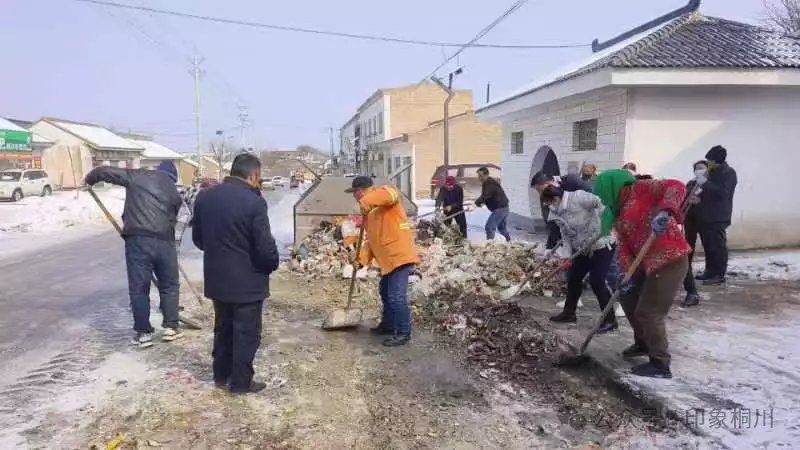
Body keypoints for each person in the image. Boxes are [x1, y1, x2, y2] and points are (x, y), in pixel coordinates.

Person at [192, 153, 280, 394]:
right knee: (246, 332)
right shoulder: (254, 202)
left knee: (223, 327)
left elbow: (198, 239)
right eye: (258, 178)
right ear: (253, 175)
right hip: (248, 282)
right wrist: (272, 263)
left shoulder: (205, 197)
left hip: (217, 278)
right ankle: (240, 383)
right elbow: (264, 247)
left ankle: (221, 375)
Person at [593, 169, 691, 379]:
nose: (602, 198)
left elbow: (676, 185)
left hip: (670, 259)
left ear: (612, 186)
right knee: (628, 298)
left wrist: (666, 211)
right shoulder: (616, 213)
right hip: (645, 264)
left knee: (649, 312)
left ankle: (660, 364)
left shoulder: (642, 189)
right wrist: (625, 274)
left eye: (602, 192)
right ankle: (643, 343)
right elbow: (626, 247)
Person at [84, 161, 184, 348]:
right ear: (173, 178)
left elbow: (106, 171)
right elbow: (175, 221)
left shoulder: (138, 176)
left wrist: (90, 179)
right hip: (165, 241)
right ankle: (171, 327)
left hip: (138, 240)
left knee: (139, 288)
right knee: (169, 284)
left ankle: (143, 333)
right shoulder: (175, 193)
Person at [348, 176, 419, 346]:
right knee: (385, 291)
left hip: (399, 256)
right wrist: (361, 260)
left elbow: (391, 194)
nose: (354, 197)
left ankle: (403, 332)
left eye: (355, 193)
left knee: (396, 296)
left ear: (361, 191)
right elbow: (371, 242)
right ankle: (388, 325)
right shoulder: (371, 214)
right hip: (388, 260)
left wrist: (366, 202)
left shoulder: (386, 198)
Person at [541, 186, 618, 332]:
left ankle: (610, 320)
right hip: (581, 247)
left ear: (556, 199)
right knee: (574, 278)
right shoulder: (555, 211)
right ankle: (569, 313)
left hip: (601, 244)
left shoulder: (579, 197)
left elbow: (601, 203)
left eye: (549, 202)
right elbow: (565, 235)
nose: (549, 206)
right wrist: (567, 256)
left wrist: (606, 222)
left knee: (597, 281)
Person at [695, 145, 738, 286]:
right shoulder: (712, 170)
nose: (708, 163)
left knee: (718, 246)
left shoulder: (729, 173)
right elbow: (704, 188)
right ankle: (709, 271)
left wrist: (706, 184)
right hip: (706, 215)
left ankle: (719, 274)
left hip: (719, 216)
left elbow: (724, 194)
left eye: (710, 160)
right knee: (708, 245)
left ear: (717, 160)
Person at [530, 171, 592, 251]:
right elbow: (555, 223)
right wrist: (549, 249)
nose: (540, 194)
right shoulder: (551, 196)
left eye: (539, 190)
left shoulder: (572, 182)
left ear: (548, 183)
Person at [681, 161, 708, 307]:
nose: (699, 171)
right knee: (686, 257)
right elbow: (683, 199)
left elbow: (718, 202)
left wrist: (700, 202)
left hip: (705, 222)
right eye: (697, 169)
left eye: (702, 168)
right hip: (689, 221)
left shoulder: (711, 185)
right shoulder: (691, 184)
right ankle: (691, 290)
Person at [475, 167, 511, 242]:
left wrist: (476, 203)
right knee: (502, 228)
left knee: (489, 227)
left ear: (486, 175)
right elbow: (489, 196)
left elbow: (486, 195)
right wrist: (481, 202)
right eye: (478, 175)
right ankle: (509, 242)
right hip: (504, 208)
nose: (479, 178)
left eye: (480, 176)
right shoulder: (489, 182)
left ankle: (490, 246)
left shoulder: (489, 183)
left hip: (500, 209)